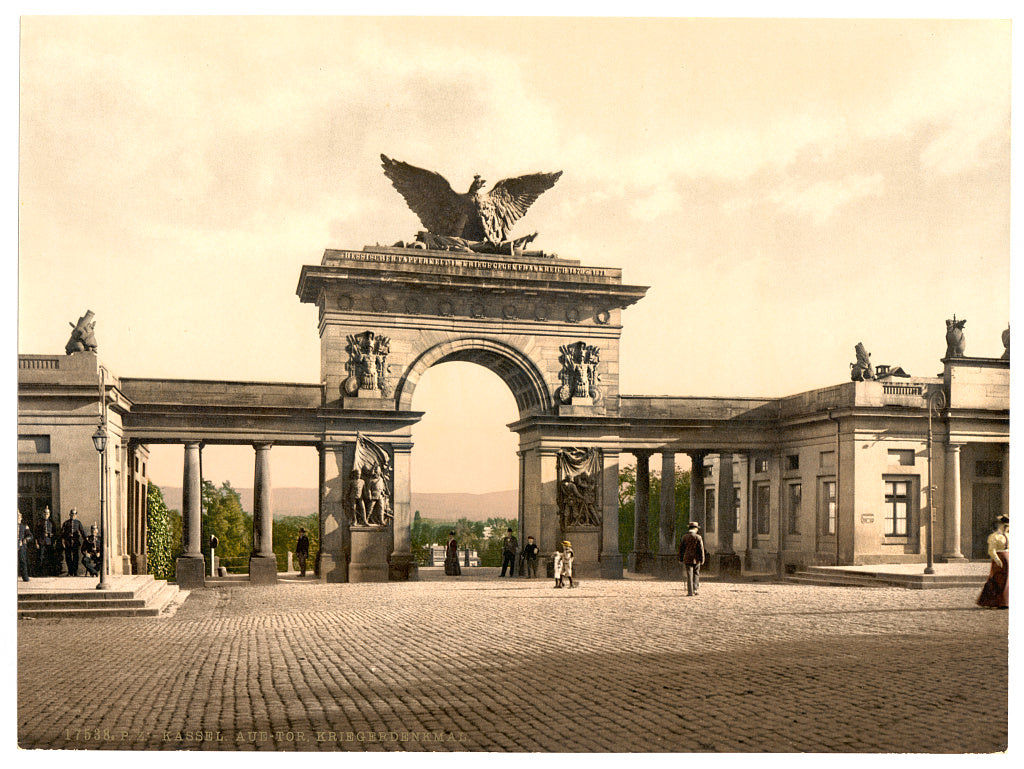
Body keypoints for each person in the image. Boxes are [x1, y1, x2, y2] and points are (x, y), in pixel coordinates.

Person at [977, 515, 1009, 608]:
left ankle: (1005, 602)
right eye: (1005, 526)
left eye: (1007, 526)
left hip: (1008, 558)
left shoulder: (1008, 536)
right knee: (997, 579)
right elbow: (991, 550)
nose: (1006, 528)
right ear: (1000, 525)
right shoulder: (994, 537)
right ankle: (992, 602)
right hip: (999, 558)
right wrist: (997, 560)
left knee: (1007, 580)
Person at [678, 522, 706, 596]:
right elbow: (701, 549)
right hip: (696, 559)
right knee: (696, 574)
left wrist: (680, 559)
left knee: (689, 574)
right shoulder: (698, 537)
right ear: (695, 528)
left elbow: (681, 549)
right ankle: (695, 589)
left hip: (687, 558)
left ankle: (690, 592)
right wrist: (702, 559)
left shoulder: (684, 537)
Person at [61, 508, 86, 577]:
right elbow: (62, 534)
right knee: (68, 557)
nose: (73, 516)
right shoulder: (66, 523)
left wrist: (86, 539)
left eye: (75, 514)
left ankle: (75, 572)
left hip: (75, 542)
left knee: (75, 558)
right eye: (72, 514)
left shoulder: (78, 523)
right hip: (68, 542)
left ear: (76, 515)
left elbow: (82, 532)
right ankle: (70, 571)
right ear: (70, 514)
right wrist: (63, 542)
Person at [36, 506, 57, 576]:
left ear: (49, 514)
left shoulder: (52, 522)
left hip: (49, 542)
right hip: (41, 542)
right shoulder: (39, 522)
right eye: (45, 513)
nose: (46, 514)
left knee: (49, 558)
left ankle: (49, 573)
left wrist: (51, 536)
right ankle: (41, 573)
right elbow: (36, 533)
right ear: (42, 513)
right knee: (41, 558)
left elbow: (55, 533)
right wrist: (37, 543)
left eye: (47, 513)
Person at [18, 511, 33, 582]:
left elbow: (30, 536)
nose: (17, 518)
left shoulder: (24, 526)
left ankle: (25, 577)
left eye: (19, 516)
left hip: (21, 546)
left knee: (23, 561)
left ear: (21, 518)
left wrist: (25, 540)